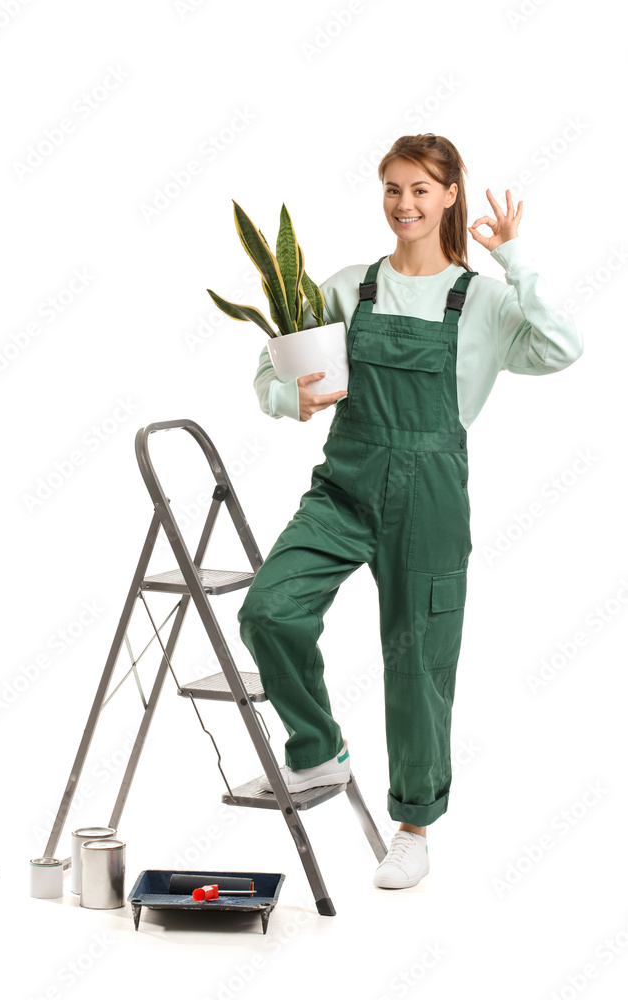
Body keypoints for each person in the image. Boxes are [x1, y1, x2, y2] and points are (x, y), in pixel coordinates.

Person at [236, 133, 583, 890]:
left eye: (421, 190)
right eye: (393, 188)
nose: (404, 204)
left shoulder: (482, 298)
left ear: (450, 195)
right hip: (344, 484)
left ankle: (413, 827)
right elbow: (273, 361)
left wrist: (516, 259)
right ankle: (316, 749)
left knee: (418, 662)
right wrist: (284, 397)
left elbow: (561, 347)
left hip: (428, 497)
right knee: (268, 609)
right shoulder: (347, 286)